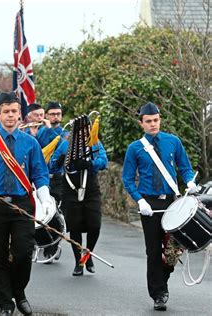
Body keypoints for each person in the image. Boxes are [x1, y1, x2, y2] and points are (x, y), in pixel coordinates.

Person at [0, 92, 52, 316]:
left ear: (20, 115)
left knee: (24, 252)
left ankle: (19, 292)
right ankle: (5, 301)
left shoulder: (31, 143)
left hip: (22, 205)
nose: (9, 116)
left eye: (14, 111)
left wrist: (45, 198)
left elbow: (40, 174)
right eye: (5, 111)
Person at [122, 102, 197, 311]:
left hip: (172, 202)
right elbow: (127, 179)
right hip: (149, 204)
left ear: (159, 120)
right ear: (141, 123)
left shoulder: (173, 141)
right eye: (148, 121)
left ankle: (161, 281)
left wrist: (190, 182)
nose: (153, 124)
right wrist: (140, 200)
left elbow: (185, 167)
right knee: (154, 250)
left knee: (173, 250)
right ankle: (158, 293)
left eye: (156, 120)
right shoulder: (134, 148)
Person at [50, 119, 108, 276]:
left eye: (85, 131)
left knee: (95, 225)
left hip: (90, 188)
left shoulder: (95, 144)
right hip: (70, 188)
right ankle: (78, 262)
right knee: (74, 226)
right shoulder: (65, 144)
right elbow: (52, 165)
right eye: (79, 131)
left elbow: (104, 161)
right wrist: (60, 160)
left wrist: (91, 164)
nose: (82, 134)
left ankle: (87, 255)